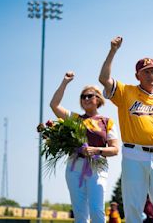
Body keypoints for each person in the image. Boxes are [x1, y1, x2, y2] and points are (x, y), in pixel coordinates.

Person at [99, 36, 153, 223]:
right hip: (133, 155)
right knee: (133, 206)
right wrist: (113, 51)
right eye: (146, 72)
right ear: (138, 76)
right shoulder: (126, 92)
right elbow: (103, 78)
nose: (152, 75)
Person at [50, 72, 119, 223]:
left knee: (96, 210)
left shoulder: (107, 121)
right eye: (83, 96)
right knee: (80, 214)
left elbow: (115, 149)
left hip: (97, 166)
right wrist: (65, 82)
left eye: (89, 95)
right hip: (75, 167)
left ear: (98, 99)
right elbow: (54, 105)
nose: (86, 99)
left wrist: (97, 150)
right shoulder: (74, 119)